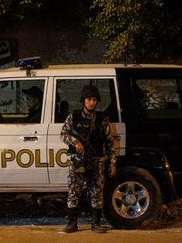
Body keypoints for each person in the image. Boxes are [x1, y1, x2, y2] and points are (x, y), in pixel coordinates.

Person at [60, 85, 116, 233]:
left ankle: (96, 224)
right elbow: (63, 134)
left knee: (96, 192)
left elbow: (109, 143)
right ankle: (72, 224)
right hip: (78, 161)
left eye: (94, 100)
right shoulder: (74, 116)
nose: (91, 102)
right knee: (74, 191)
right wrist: (75, 142)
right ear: (83, 101)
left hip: (96, 161)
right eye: (89, 99)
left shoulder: (102, 119)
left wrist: (112, 163)